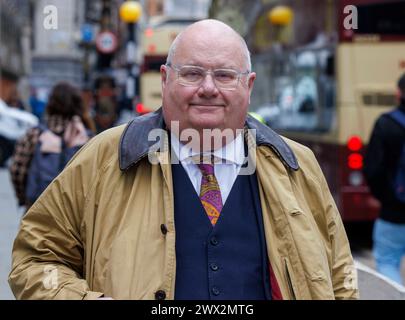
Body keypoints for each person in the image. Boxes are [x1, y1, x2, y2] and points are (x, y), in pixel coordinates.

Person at [8, 20, 358, 300]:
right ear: (164, 79)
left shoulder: (297, 164)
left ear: (248, 86)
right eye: (191, 73)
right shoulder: (104, 159)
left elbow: (341, 276)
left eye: (224, 75)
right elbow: (35, 260)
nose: (208, 87)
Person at [9, 82, 95, 210]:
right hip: (75, 213)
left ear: (50, 104)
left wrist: (24, 198)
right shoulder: (87, 138)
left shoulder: (35, 134)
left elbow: (17, 169)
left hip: (37, 208)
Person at [364, 73, 405, 285]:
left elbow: (373, 169)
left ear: (399, 93)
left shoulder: (386, 124)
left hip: (393, 213)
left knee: (387, 263)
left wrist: (385, 198)